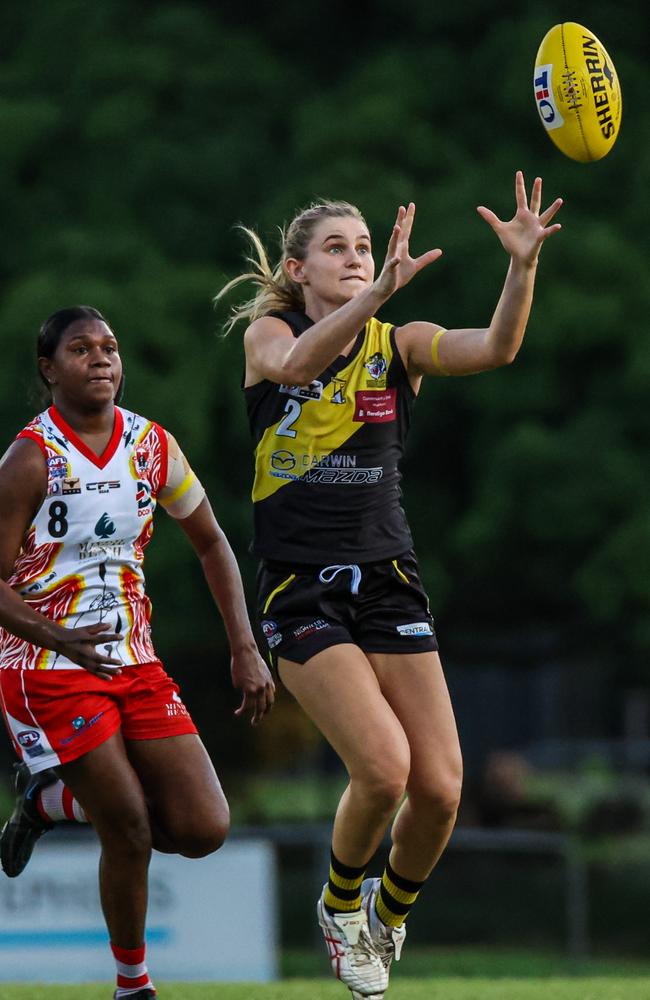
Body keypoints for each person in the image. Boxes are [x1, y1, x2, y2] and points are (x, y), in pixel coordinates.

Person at [216, 172, 562, 1000]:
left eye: (364, 246)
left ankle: (388, 915)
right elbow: (303, 360)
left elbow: (497, 348)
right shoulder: (270, 335)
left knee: (441, 788)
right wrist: (372, 295)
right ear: (298, 270)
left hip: (388, 580)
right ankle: (340, 911)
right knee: (384, 769)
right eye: (336, 248)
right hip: (299, 588)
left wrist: (521, 266)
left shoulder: (398, 344)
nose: (355, 257)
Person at [0, 306, 275, 1000]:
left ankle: (50, 801)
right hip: (47, 668)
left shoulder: (152, 445)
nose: (101, 358)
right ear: (48, 368)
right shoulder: (29, 459)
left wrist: (245, 646)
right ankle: (133, 986)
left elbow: (212, 541)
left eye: (110, 347)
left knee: (203, 827)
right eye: (81, 348)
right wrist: (56, 635)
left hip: (134, 660)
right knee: (127, 824)